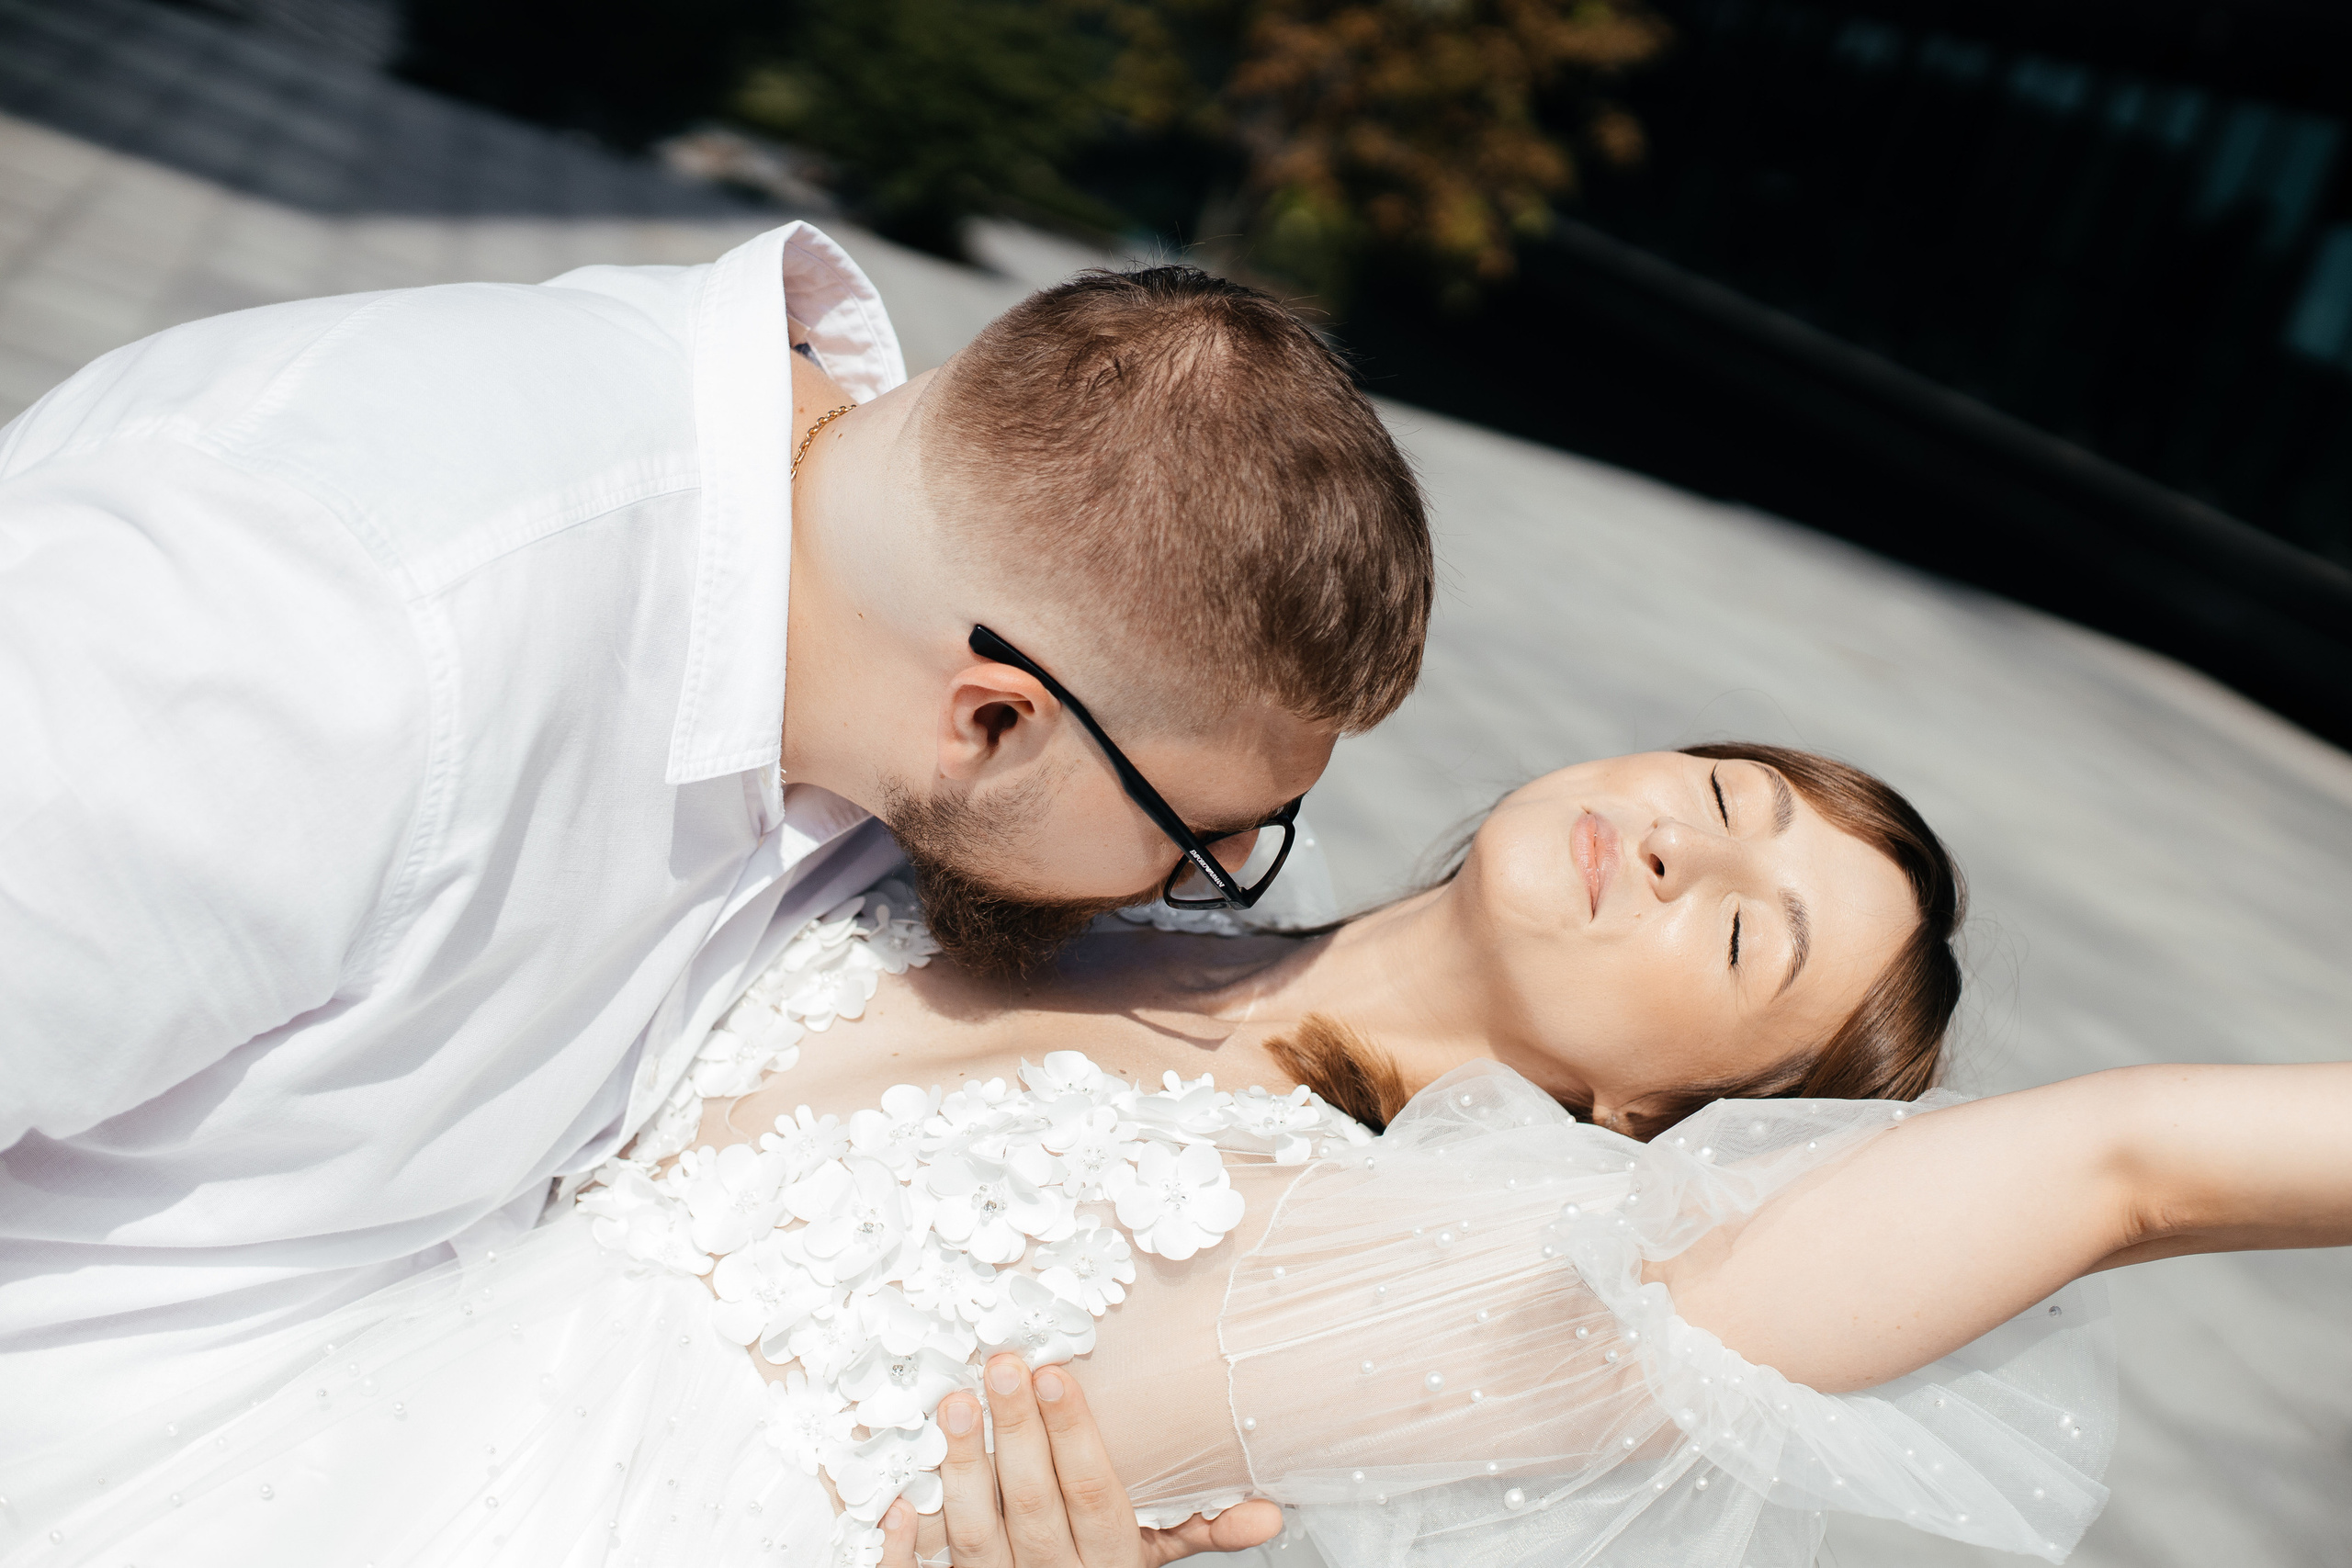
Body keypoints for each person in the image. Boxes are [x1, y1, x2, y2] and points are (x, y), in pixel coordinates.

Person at [0, 216, 1432, 1555]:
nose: (1216, 882)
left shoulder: (863, 624)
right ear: (995, 722)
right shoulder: (325, 622)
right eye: (1203, 833)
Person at [27, 740, 2214, 1568]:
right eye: (1728, 786)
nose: (1680, 837)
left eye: (1737, 924)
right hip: (181, 1349)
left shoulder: (1399, 1260)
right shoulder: (1097, 851)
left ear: (1660, 1119)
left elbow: (2110, 1162)